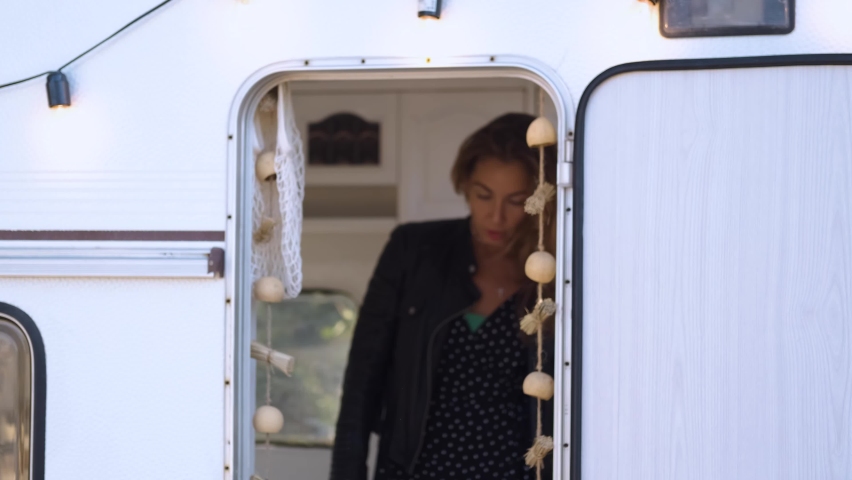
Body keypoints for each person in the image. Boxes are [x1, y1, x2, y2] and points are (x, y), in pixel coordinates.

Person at [330, 113, 557, 480]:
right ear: (464, 184)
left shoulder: (550, 271)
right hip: (413, 470)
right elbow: (362, 382)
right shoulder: (413, 250)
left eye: (516, 200)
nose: (495, 215)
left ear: (539, 199)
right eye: (484, 194)